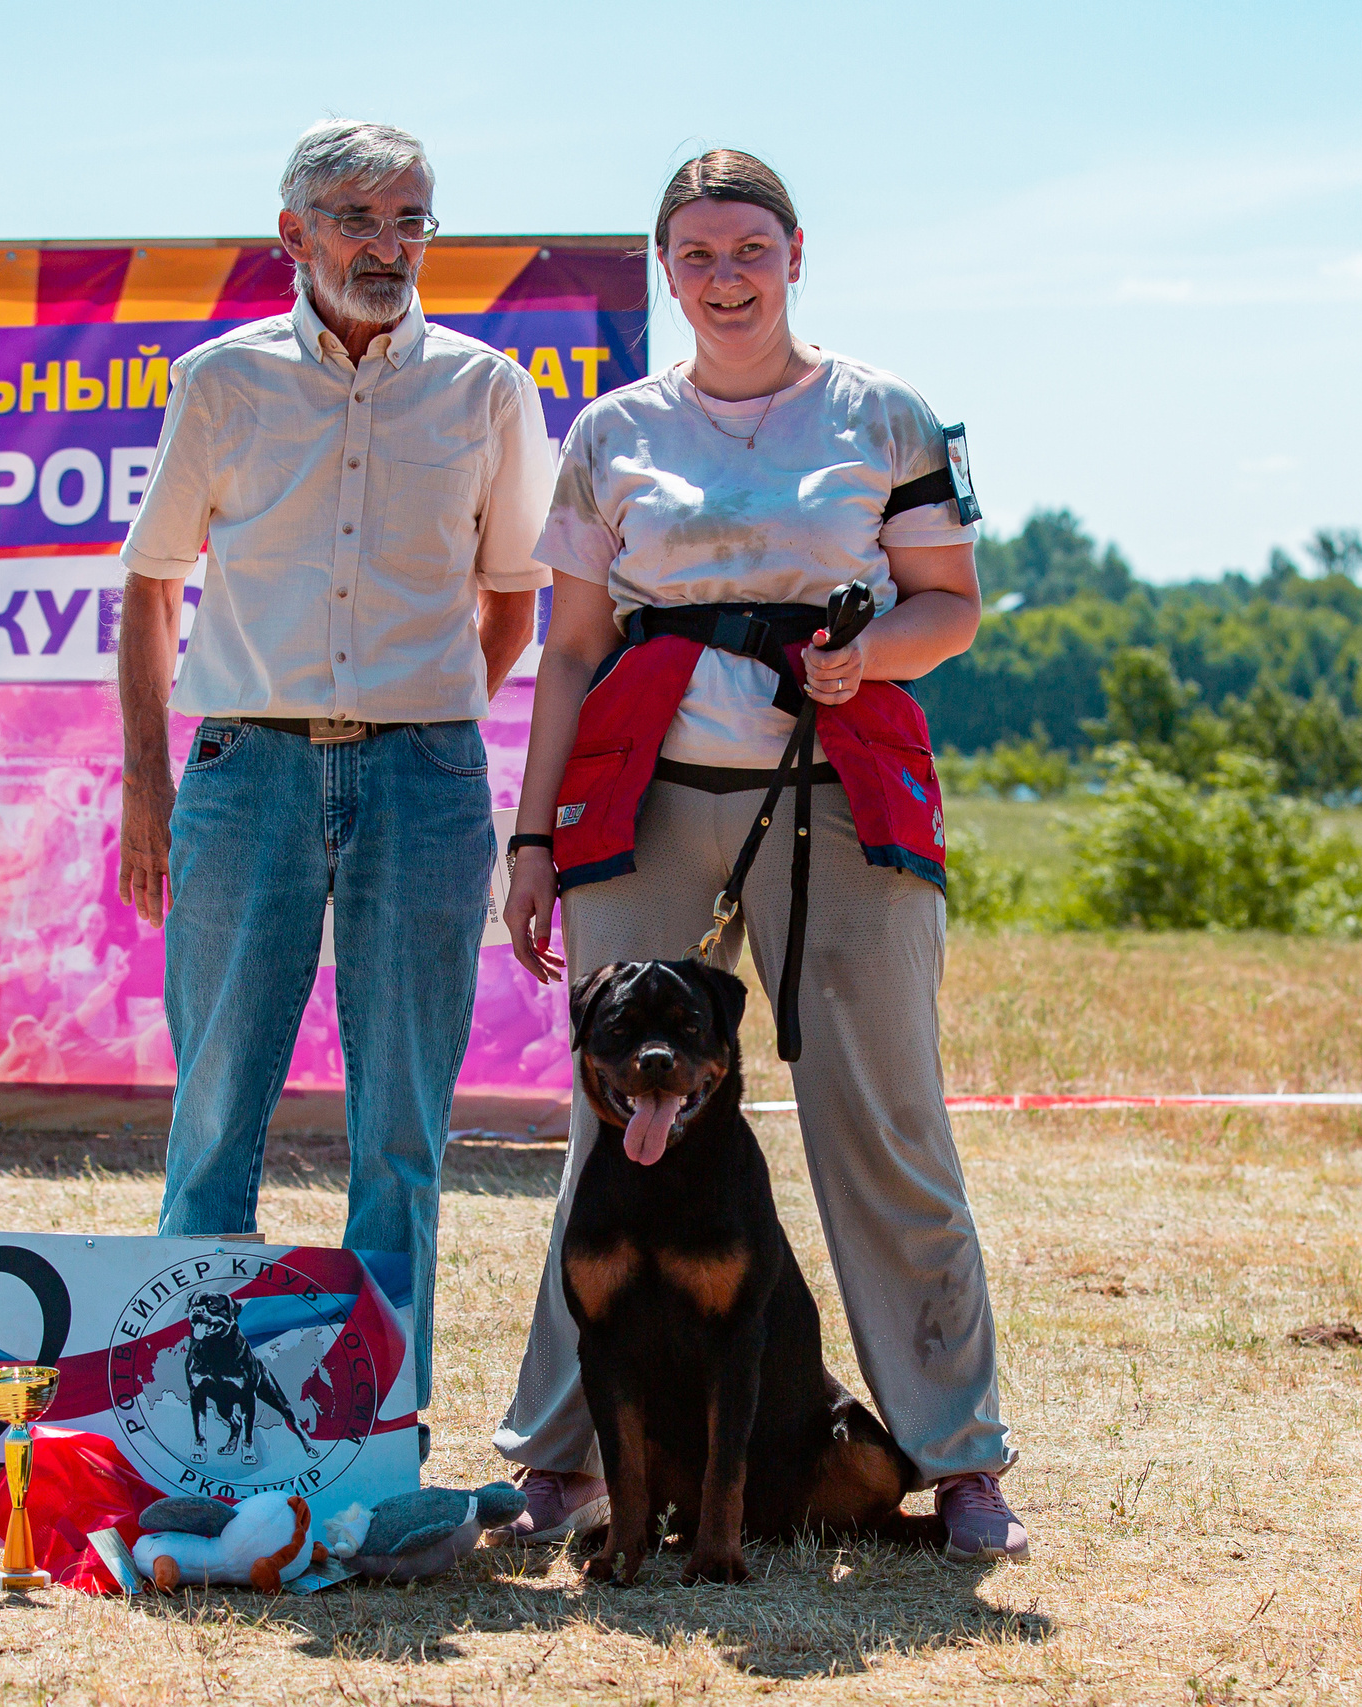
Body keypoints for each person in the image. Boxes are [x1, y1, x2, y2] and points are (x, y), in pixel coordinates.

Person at [490, 150, 1028, 1562]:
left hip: (834, 786)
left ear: (797, 255)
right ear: (667, 272)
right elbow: (572, 649)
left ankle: (959, 1456)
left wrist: (867, 658)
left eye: (749, 249)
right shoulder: (613, 430)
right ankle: (562, 1458)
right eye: (697, 255)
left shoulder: (883, 413)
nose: (725, 277)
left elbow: (950, 607)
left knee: (883, 1119)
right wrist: (533, 835)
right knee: (612, 1118)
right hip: (647, 794)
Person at [115, 120, 552, 1436]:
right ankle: (190, 1438)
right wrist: (147, 789)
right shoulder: (222, 382)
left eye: (412, 219)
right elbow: (152, 591)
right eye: (358, 217)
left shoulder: (486, 391)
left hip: (427, 782)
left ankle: (373, 1437)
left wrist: (429, 714)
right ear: (293, 234)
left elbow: (515, 598)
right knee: (213, 1116)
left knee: (403, 1133)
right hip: (243, 774)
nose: (388, 244)